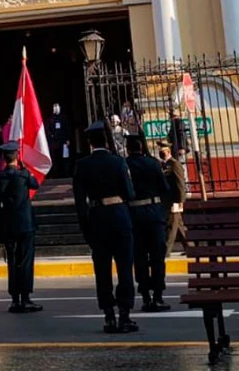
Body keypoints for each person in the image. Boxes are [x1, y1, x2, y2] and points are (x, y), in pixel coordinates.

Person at [72, 121, 137, 334]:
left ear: (90, 142)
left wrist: (85, 228)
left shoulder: (82, 165)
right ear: (107, 141)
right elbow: (130, 193)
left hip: (97, 220)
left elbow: (80, 203)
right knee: (125, 269)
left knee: (102, 271)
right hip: (119, 218)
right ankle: (125, 315)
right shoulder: (118, 162)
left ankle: (109, 315)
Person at [0, 141, 42, 314]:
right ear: (17, 157)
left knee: (12, 262)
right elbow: (35, 185)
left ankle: (14, 299)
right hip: (25, 225)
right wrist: (25, 168)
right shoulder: (24, 175)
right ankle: (25, 298)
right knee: (25, 261)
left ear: (3, 158)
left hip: (7, 226)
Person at [125, 136, 171, 312]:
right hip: (154, 213)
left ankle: (145, 296)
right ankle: (158, 295)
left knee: (140, 257)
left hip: (134, 215)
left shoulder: (124, 164)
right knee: (157, 257)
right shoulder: (153, 163)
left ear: (128, 149)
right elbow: (165, 188)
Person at [159, 141, 188, 257]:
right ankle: (190, 248)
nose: (161, 153)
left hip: (174, 200)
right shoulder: (163, 165)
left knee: (171, 226)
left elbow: (180, 183)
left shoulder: (174, 164)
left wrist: (181, 200)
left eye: (163, 151)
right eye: (160, 151)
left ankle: (165, 251)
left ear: (168, 151)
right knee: (179, 226)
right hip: (166, 200)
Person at [46, 103, 72, 177]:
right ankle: (55, 174)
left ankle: (66, 174)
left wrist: (68, 139)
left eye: (57, 107)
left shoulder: (64, 118)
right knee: (55, 158)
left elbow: (67, 128)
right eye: (54, 107)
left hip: (63, 141)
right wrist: (51, 135)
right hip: (54, 142)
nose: (56, 108)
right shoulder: (50, 118)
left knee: (65, 158)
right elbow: (48, 129)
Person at [167, 109, 190, 183]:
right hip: (176, 149)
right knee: (180, 166)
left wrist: (182, 147)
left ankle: (185, 183)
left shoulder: (178, 122)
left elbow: (181, 135)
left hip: (179, 149)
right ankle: (183, 182)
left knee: (181, 166)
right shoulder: (175, 123)